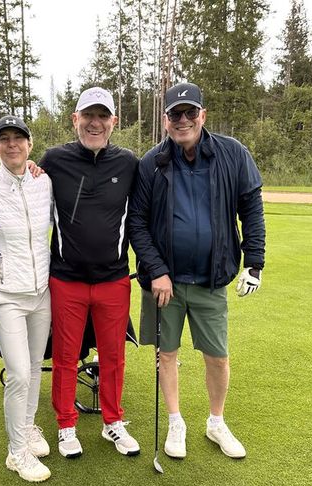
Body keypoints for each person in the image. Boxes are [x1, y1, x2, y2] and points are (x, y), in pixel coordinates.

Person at [127, 82, 266, 460]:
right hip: (163, 284)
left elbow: (251, 208)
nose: (183, 120)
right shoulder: (152, 162)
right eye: (176, 114)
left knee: (217, 356)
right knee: (166, 354)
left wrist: (254, 262)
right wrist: (156, 270)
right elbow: (137, 222)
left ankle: (216, 422)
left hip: (210, 278)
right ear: (165, 120)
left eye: (190, 113)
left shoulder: (232, 153)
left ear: (202, 115)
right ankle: (176, 422)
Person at [39, 87, 140, 458]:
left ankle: (113, 422)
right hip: (67, 279)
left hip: (114, 279)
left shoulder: (128, 163)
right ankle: (66, 425)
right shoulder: (53, 160)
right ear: (75, 119)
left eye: (102, 116)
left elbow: (141, 219)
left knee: (113, 356)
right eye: (88, 115)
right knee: (65, 357)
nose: (95, 123)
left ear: (114, 121)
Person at [0, 116, 53, 482]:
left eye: (18, 138)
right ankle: (16, 452)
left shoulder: (44, 182)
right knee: (19, 373)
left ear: (29, 144)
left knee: (35, 367)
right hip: (6, 296)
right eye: (3, 139)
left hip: (42, 292)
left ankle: (27, 427)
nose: (12, 144)